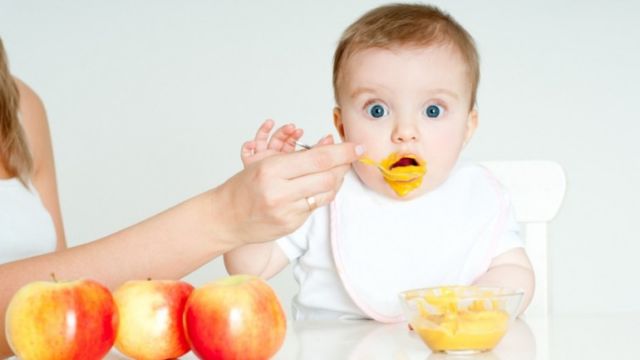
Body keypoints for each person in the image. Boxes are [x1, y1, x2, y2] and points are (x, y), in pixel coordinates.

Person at [0, 38, 363, 356]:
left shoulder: (19, 107)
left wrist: (240, 215)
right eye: (376, 110)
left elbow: (59, 292)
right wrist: (228, 214)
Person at [225, 4, 535, 322]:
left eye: (432, 111)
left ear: (468, 126)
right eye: (377, 110)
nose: (404, 133)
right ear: (342, 125)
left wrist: (473, 308)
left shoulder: (476, 194)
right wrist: (255, 198)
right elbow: (248, 268)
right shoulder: (322, 192)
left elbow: (515, 272)